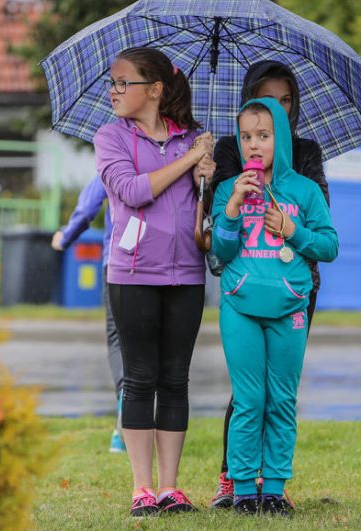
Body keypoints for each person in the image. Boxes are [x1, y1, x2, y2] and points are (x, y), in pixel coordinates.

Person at [93, 46, 215, 516]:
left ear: (156, 90)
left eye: (124, 83)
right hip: (132, 274)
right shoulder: (111, 137)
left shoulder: (194, 139)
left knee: (176, 379)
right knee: (140, 378)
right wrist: (188, 162)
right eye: (113, 82)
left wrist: (206, 177)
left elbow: (201, 220)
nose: (115, 91)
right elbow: (131, 191)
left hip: (186, 273)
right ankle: (141, 488)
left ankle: (170, 488)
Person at [207, 61, 330, 509]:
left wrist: (292, 231)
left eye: (266, 133)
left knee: (281, 397)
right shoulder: (230, 182)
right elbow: (218, 250)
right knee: (249, 397)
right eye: (247, 136)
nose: (255, 143)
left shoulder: (304, 183)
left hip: (292, 302)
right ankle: (239, 487)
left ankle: (275, 487)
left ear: (284, 127)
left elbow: (328, 243)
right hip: (241, 302)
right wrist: (233, 207)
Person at [51, 175, 125, 454]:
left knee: (118, 337)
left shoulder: (119, 151)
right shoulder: (170, 155)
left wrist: (65, 237)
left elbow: (90, 204)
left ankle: (124, 416)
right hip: (164, 264)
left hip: (118, 260)